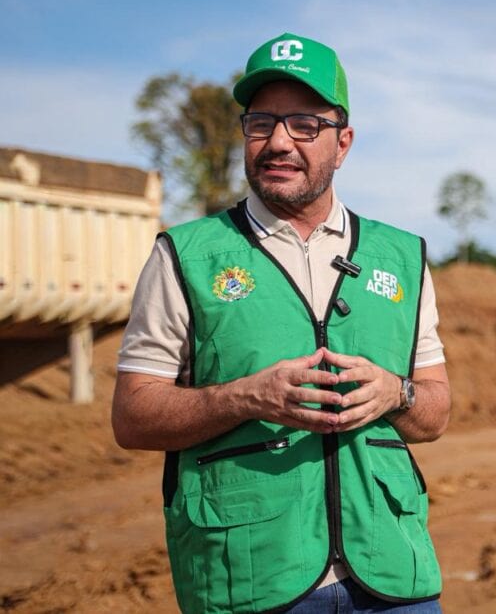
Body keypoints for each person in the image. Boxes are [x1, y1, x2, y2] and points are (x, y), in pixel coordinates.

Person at [112, 33, 450, 614]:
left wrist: (396, 391)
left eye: (304, 125)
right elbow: (133, 416)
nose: (277, 143)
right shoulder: (185, 256)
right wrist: (246, 397)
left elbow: (435, 413)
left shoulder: (403, 257)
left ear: (343, 143)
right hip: (250, 579)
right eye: (260, 122)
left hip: (392, 575)